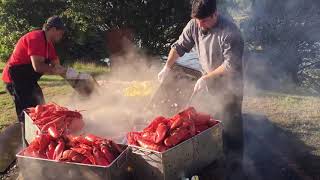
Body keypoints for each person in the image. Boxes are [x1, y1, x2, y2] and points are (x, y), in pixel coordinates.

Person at [158, 0, 245, 179]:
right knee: (211, 122)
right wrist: (167, 66)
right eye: (197, 20)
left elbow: (231, 65)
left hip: (230, 85)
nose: (200, 24)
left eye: (204, 20)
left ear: (215, 14)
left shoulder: (231, 32)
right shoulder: (195, 24)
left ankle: (236, 166)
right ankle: (214, 160)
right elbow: (179, 46)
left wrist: (206, 77)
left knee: (231, 124)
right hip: (208, 82)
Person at [2, 16, 83, 145]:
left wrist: (76, 78)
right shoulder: (36, 38)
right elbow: (38, 67)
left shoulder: (49, 45)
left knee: (42, 109)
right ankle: (28, 145)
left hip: (28, 80)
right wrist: (58, 71)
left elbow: (57, 65)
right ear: (53, 29)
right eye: (61, 32)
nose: (61, 36)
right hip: (15, 79)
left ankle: (43, 139)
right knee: (27, 114)